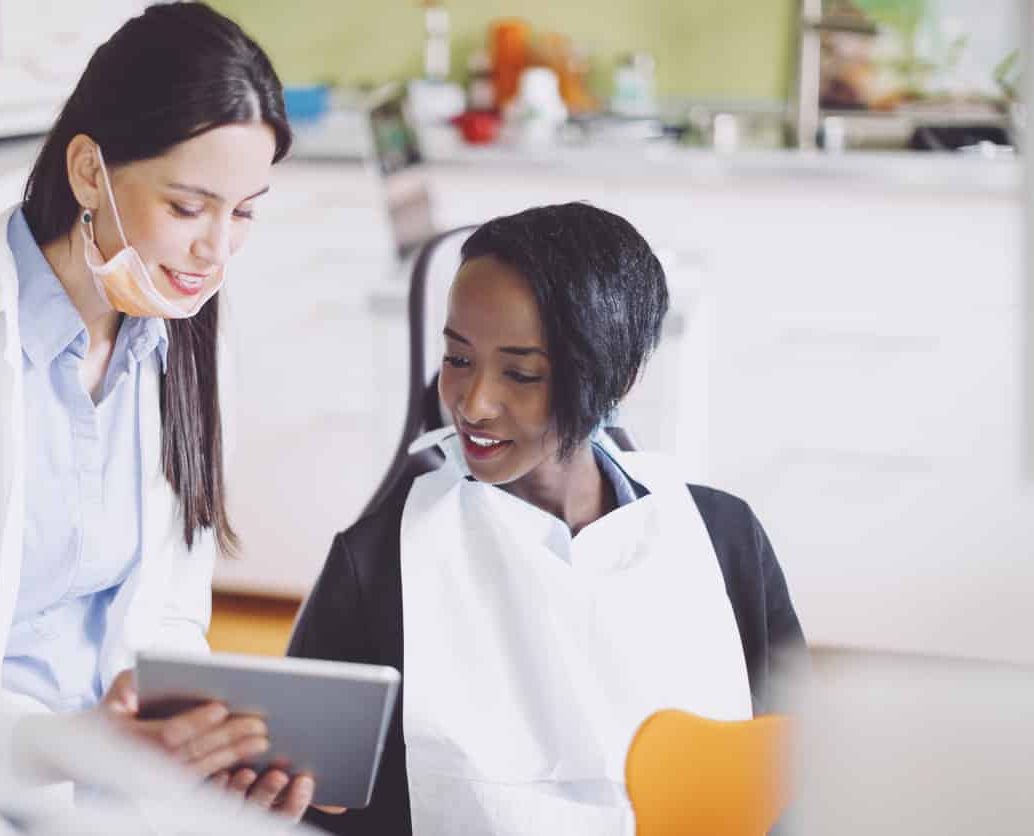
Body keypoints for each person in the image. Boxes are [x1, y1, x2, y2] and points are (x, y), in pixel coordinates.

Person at [0, 3, 313, 830]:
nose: (217, 251)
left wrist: (205, 751)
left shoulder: (181, 342)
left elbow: (167, 617)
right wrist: (77, 746)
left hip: (119, 783)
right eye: (190, 207)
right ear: (90, 174)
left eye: (243, 212)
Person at [289, 202, 807, 835]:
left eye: (522, 372)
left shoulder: (724, 541)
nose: (475, 404)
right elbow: (312, 803)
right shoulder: (377, 564)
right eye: (457, 359)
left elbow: (799, 773)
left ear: (619, 377)